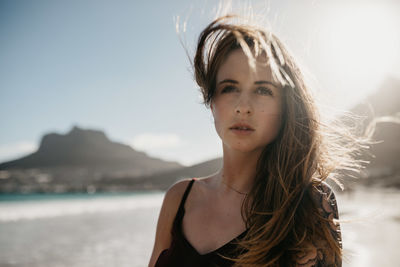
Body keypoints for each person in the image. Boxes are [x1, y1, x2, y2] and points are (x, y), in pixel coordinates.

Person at [148, 15, 352, 267]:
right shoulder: (178, 199)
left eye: (263, 90)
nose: (243, 107)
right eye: (229, 88)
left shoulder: (309, 205)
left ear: (286, 106)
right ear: (212, 103)